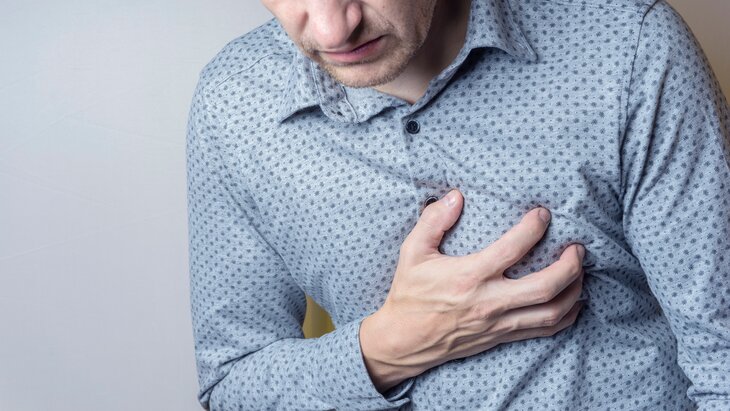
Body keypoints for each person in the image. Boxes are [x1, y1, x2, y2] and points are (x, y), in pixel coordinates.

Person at [185, 0, 730, 409]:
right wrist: (385, 349)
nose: (332, 29)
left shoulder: (627, 44)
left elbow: (722, 357)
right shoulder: (235, 105)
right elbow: (232, 382)